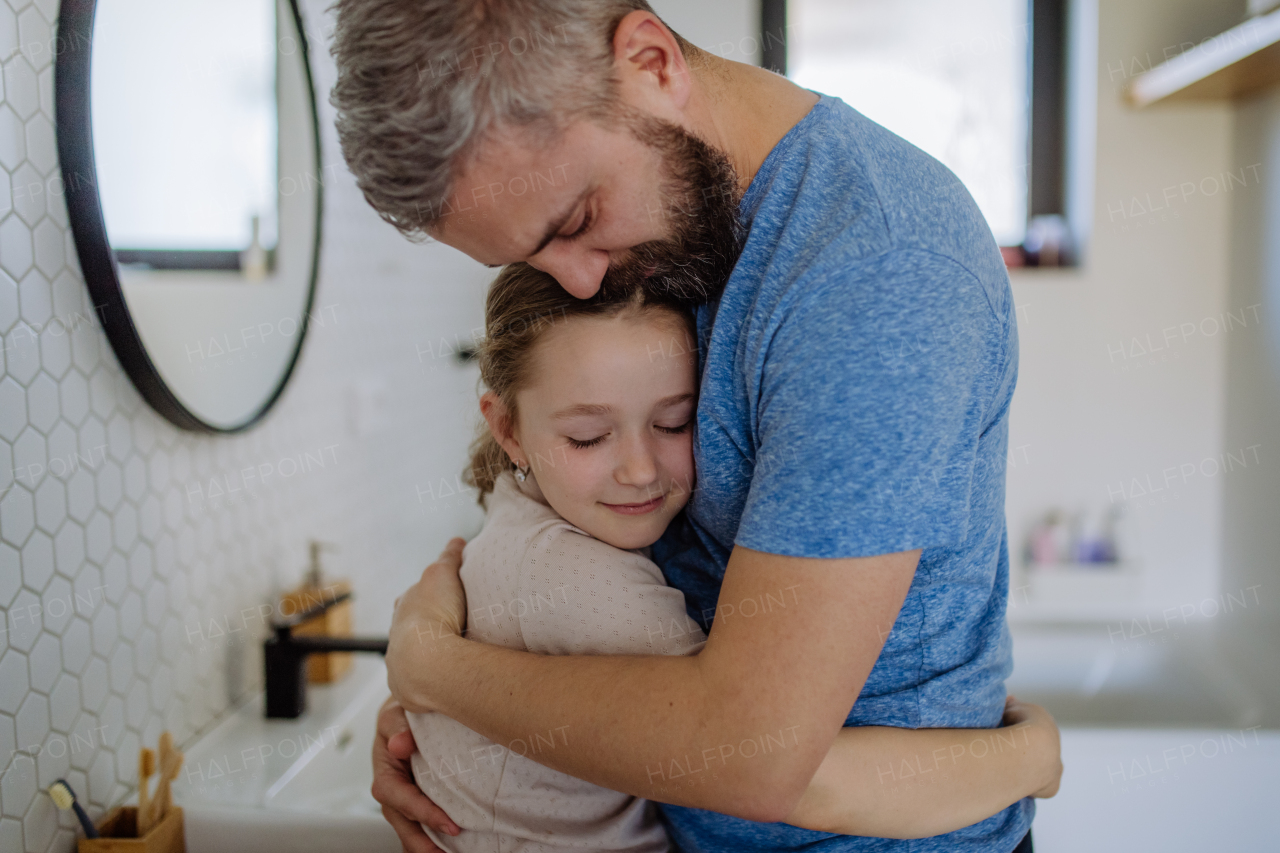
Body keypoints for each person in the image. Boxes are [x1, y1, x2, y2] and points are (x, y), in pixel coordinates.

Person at [330, 2, 1056, 850]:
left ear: (651, 61)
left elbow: (752, 754)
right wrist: (453, 733)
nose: (576, 281)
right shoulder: (673, 230)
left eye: (574, 223)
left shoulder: (876, 274)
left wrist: (436, 669)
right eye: (530, 261)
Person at [403, 263, 1060, 853]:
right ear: (508, 427)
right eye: (589, 435)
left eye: (674, 423)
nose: (638, 468)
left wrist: (431, 675)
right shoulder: (587, 579)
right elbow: (755, 765)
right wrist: (1026, 757)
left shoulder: (517, 514)